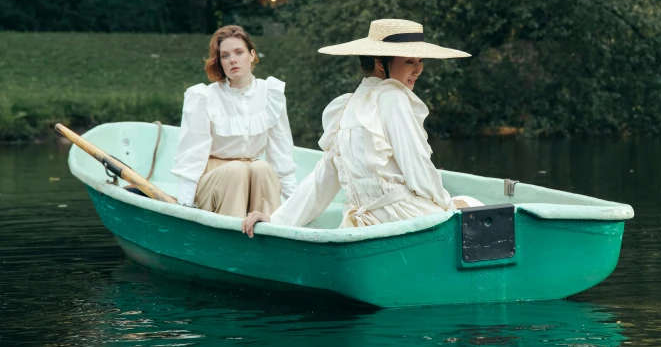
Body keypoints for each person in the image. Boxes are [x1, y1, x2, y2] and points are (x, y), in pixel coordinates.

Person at [242, 18, 481, 237]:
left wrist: (277, 219)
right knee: (473, 205)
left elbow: (322, 180)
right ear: (380, 64)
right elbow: (418, 167)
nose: (418, 70)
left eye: (420, 61)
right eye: (409, 61)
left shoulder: (345, 106)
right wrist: (447, 207)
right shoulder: (393, 98)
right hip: (403, 218)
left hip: (363, 223)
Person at [171, 25, 297, 218]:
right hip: (214, 180)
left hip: (252, 178)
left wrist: (294, 209)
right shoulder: (205, 96)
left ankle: (270, 232)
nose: (233, 60)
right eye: (225, 55)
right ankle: (230, 236)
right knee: (236, 170)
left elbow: (281, 153)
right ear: (220, 61)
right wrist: (184, 205)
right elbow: (192, 154)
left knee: (263, 168)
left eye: (239, 52)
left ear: (252, 55)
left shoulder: (271, 94)